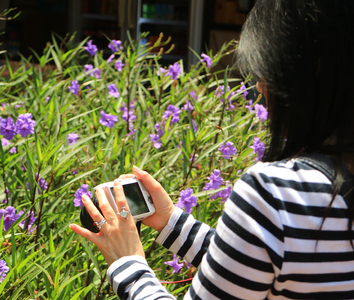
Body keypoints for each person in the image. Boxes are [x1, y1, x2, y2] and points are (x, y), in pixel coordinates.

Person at [70, 0, 354, 298]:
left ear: (309, 73)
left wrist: (127, 261)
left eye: (269, 68)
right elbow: (256, 267)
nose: (259, 87)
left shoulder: (276, 194)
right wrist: (171, 222)